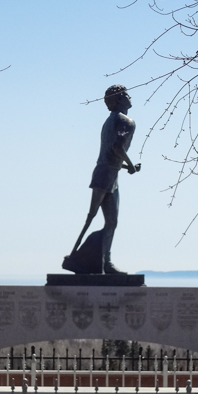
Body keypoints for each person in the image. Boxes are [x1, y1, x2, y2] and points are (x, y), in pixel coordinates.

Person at [67, 84, 141, 274]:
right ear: (119, 99)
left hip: (108, 173)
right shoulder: (125, 121)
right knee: (93, 217)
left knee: (109, 221)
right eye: (126, 95)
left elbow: (111, 155)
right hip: (106, 174)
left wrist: (126, 166)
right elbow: (117, 148)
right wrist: (131, 166)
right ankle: (80, 257)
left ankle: (103, 262)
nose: (129, 97)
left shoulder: (110, 121)